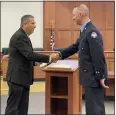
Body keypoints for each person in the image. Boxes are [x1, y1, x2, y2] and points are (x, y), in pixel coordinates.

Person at [56, 4, 109, 114]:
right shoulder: (85, 30)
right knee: (91, 108)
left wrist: (101, 76)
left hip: (94, 78)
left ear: (81, 14)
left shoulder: (91, 31)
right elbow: (76, 46)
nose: (73, 18)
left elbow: (98, 56)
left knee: (95, 110)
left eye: (74, 15)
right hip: (89, 77)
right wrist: (60, 55)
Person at [4, 14, 58, 115]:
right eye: (33, 23)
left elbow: (24, 56)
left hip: (23, 78)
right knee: (13, 108)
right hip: (17, 79)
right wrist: (49, 58)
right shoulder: (19, 36)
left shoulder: (24, 36)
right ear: (25, 24)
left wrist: (37, 63)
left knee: (22, 108)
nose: (35, 26)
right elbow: (29, 55)